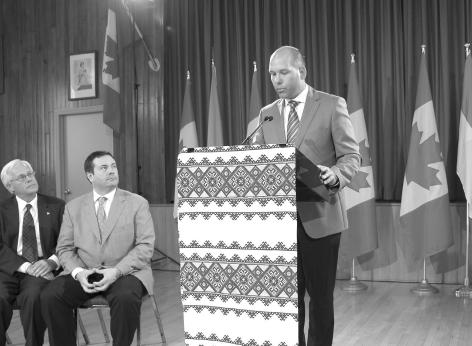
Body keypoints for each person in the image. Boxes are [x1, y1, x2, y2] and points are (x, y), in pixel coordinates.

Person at [252, 46, 360, 345]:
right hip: (279, 222)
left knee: (320, 299)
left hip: (320, 218)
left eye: (283, 72)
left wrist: (335, 175)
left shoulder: (330, 104)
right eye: (272, 74)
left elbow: (351, 156)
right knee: (287, 302)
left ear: (302, 71)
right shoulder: (267, 114)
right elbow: (259, 161)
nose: (276, 80)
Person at [41, 151, 155, 346]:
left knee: (125, 297)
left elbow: (145, 246)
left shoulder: (137, 203)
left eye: (113, 166)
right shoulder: (73, 207)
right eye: (104, 167)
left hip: (126, 272)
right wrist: (78, 273)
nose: (111, 171)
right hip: (86, 271)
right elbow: (64, 248)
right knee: (51, 295)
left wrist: (116, 272)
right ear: (90, 176)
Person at [0, 159, 65, 346]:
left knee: (33, 296)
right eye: (22, 177)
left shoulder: (57, 206)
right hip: (9, 270)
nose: (29, 179)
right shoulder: (2, 210)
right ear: (10, 187)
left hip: (42, 268)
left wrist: (51, 262)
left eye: (30, 174)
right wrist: (25, 267)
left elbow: (68, 242)